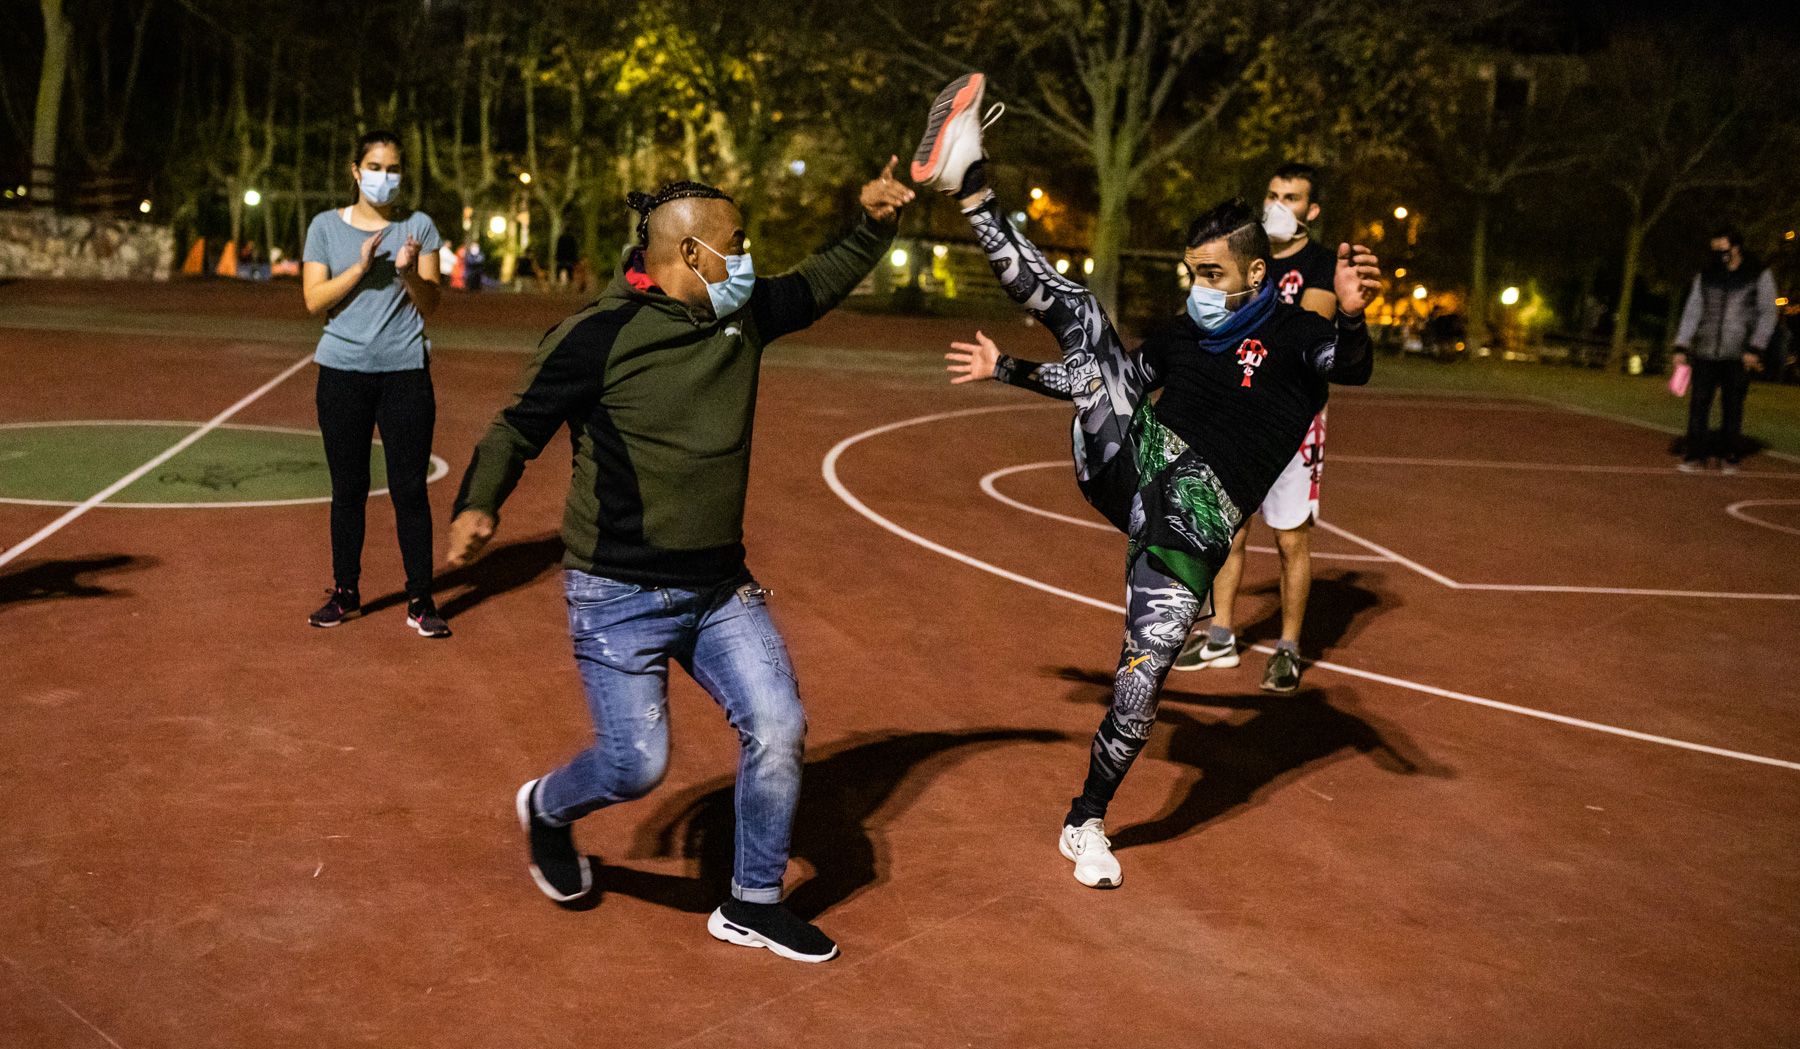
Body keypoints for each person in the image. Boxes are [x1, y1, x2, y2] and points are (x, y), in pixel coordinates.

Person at [446, 162, 914, 962]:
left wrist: (875, 223)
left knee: (779, 725)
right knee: (635, 768)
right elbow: (516, 427)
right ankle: (549, 810)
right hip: (616, 592)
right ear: (692, 252)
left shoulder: (747, 316)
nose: (749, 258)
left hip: (719, 588)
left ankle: (750, 902)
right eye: (736, 244)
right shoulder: (596, 337)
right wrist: (478, 503)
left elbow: (820, 283)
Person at [925, 74, 1380, 889]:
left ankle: (1085, 820)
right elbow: (1099, 382)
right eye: (1189, 272)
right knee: (1088, 322)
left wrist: (1350, 312)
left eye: (1210, 274)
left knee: (1141, 688)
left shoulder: (1297, 335)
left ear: (1250, 276)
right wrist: (1012, 372)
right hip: (1131, 471)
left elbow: (1353, 365)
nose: (1196, 289)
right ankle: (972, 183)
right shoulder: (1178, 335)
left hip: (1190, 535)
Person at [1174, 162, 1335, 690]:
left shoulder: (1320, 265)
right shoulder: (1249, 256)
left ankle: (1288, 646)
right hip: (1241, 407)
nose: (1277, 206)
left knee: (1290, 538)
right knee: (1229, 526)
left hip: (1292, 417)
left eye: (1291, 198)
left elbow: (1303, 332)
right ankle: (1221, 636)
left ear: (1311, 211)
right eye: (1272, 194)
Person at [300, 129, 449, 636]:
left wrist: (408, 273)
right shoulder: (324, 226)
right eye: (376, 167)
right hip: (342, 373)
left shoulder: (420, 226)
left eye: (394, 168)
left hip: (405, 372)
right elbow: (313, 300)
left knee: (410, 489)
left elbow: (431, 305)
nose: (386, 177)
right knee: (349, 488)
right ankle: (345, 593)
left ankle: (420, 601)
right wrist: (361, 267)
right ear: (355, 171)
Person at [1672, 227, 1779, 474]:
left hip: (1738, 353)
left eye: (1723, 248)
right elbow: (1693, 311)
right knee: (1699, 404)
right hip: (1705, 351)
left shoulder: (1758, 274)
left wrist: (1756, 347)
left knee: (1733, 406)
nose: (1719, 253)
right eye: (1715, 248)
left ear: (1736, 247)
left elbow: (1768, 312)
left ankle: (1730, 454)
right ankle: (1695, 454)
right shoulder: (1707, 274)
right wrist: (1682, 344)